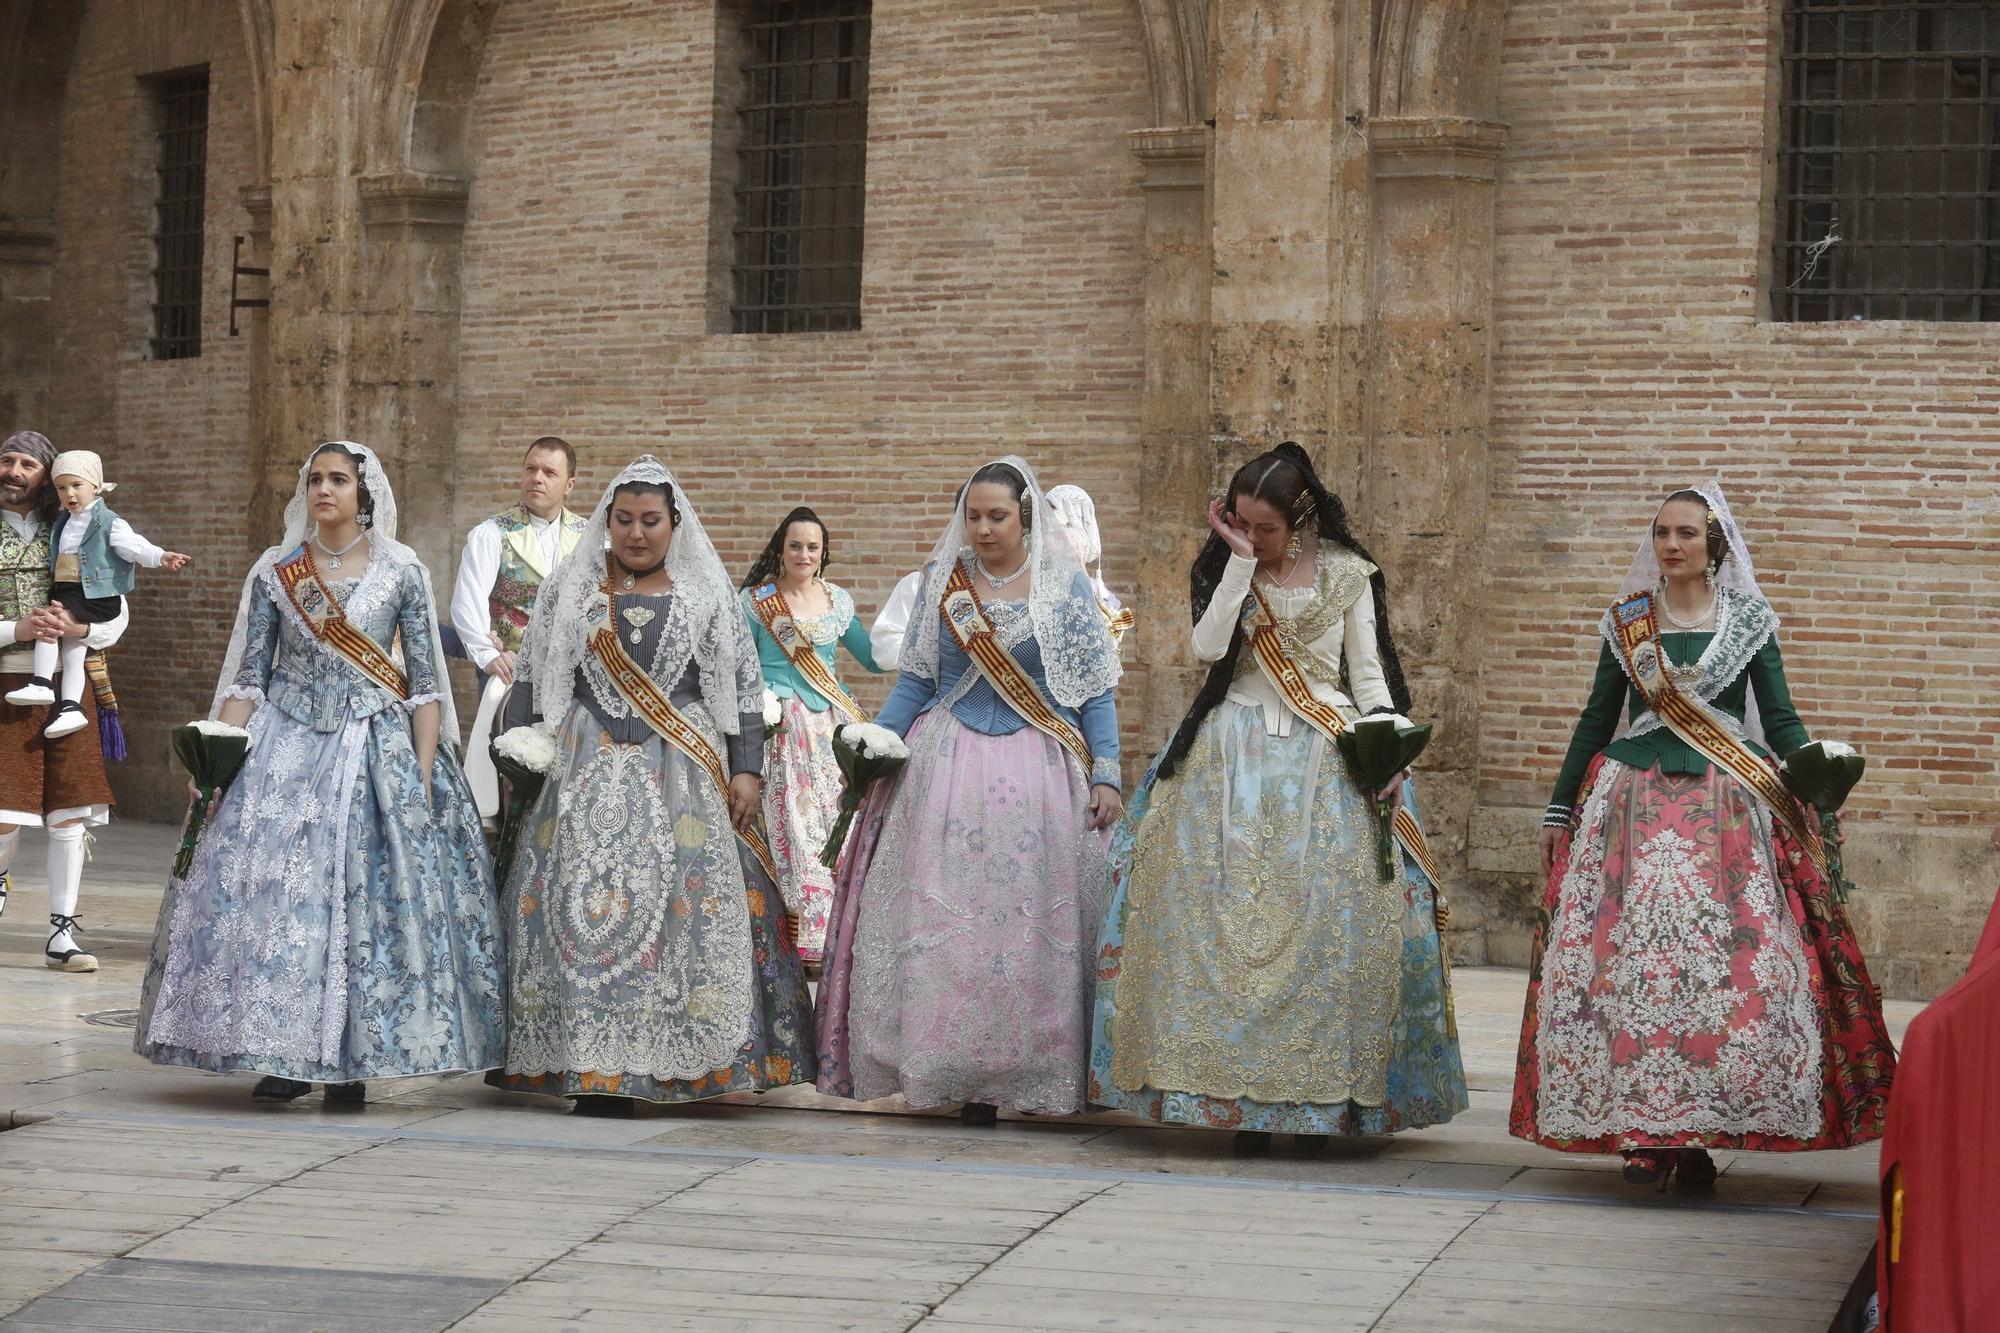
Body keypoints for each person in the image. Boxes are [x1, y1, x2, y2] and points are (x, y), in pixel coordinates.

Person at [1510, 484, 1896, 1186]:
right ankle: (1644, 1132)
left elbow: (1777, 720)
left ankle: (1699, 1131)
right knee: (1627, 970)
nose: (1671, 544)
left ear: (1713, 545)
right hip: (1630, 805)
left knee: (1726, 971)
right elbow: (1598, 720)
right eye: (1661, 532)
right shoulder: (1628, 621)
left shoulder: (1748, 620)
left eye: (1686, 532)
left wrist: (1815, 778)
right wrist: (1559, 808)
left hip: (1727, 811)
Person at [1087, 442, 1466, 1150]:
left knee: (1328, 928)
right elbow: (1206, 648)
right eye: (1242, 523)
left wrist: (1386, 748)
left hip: (1326, 758)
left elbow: (1370, 679)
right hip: (1228, 757)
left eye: (1265, 529)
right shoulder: (1228, 568)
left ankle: (1319, 1106)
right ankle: (1232, 1101)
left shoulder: (1351, 575)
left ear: (1301, 517)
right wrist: (1235, 561)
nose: (1254, 538)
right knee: (1212, 924)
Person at [132, 441, 505, 1106]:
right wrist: (215, 754)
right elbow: (251, 676)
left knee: (362, 907)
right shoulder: (277, 573)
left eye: (338, 479)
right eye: (315, 479)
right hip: (285, 748)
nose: (324, 489)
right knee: (283, 904)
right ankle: (287, 1054)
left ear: (366, 494)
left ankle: (352, 1064)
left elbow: (424, 685)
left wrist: (421, 774)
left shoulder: (402, 572)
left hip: (373, 747)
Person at [489, 456, 814, 1113]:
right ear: (607, 521)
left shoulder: (703, 593)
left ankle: (673, 1062)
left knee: (681, 911)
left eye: (651, 521)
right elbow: (533, 672)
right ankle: (590, 1061)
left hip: (682, 769)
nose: (637, 533)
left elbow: (742, 684)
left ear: (674, 523)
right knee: (578, 909)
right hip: (584, 766)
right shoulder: (571, 589)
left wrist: (746, 765)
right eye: (624, 520)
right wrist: (518, 746)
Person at [816, 457, 1123, 1123]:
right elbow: (917, 682)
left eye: (998, 516)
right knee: (946, 926)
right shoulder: (941, 583)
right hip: (944, 766)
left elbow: (1094, 689)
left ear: (1025, 517)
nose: (983, 528)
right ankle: (958, 1071)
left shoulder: (1062, 587)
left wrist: (1107, 770)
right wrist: (875, 748)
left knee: (1031, 932)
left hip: (1041, 771)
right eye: (973, 515)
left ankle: (1036, 1070)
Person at [0, 431, 128, 971]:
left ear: (48, 477)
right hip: (6, 682)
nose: (13, 470)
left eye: (27, 463)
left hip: (69, 691)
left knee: (69, 813)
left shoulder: (78, 525)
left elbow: (117, 606)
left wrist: (81, 624)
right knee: (2, 812)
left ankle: (62, 932)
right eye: (6, 460)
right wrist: (16, 627)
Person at [740, 507, 883, 962]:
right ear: (780, 550)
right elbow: (738, 667)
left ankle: (839, 934)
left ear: (824, 554)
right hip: (780, 729)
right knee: (794, 828)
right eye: (795, 545)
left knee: (839, 824)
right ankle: (798, 937)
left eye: (813, 547)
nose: (804, 553)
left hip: (831, 731)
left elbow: (872, 658)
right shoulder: (757, 601)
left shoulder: (837, 601)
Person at [4, 450, 189, 739]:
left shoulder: (108, 522)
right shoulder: (63, 521)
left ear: (96, 486)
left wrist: (160, 556)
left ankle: (41, 682)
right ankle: (70, 707)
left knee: (51, 624)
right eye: (62, 488)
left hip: (92, 595)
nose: (69, 493)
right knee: (74, 651)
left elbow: (134, 545)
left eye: (77, 485)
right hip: (68, 588)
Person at [450, 436, 586, 819]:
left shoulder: (592, 538)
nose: (536, 478)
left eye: (549, 472)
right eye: (530, 469)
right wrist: (488, 653)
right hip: (511, 677)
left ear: (569, 484)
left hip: (574, 679)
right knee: (509, 773)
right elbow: (467, 601)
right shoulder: (492, 533)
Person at [1046, 483, 1132, 648]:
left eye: (1054, 507)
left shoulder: (1062, 536)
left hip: (1065, 594)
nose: (1048, 512)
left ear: (1069, 508)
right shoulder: (1073, 535)